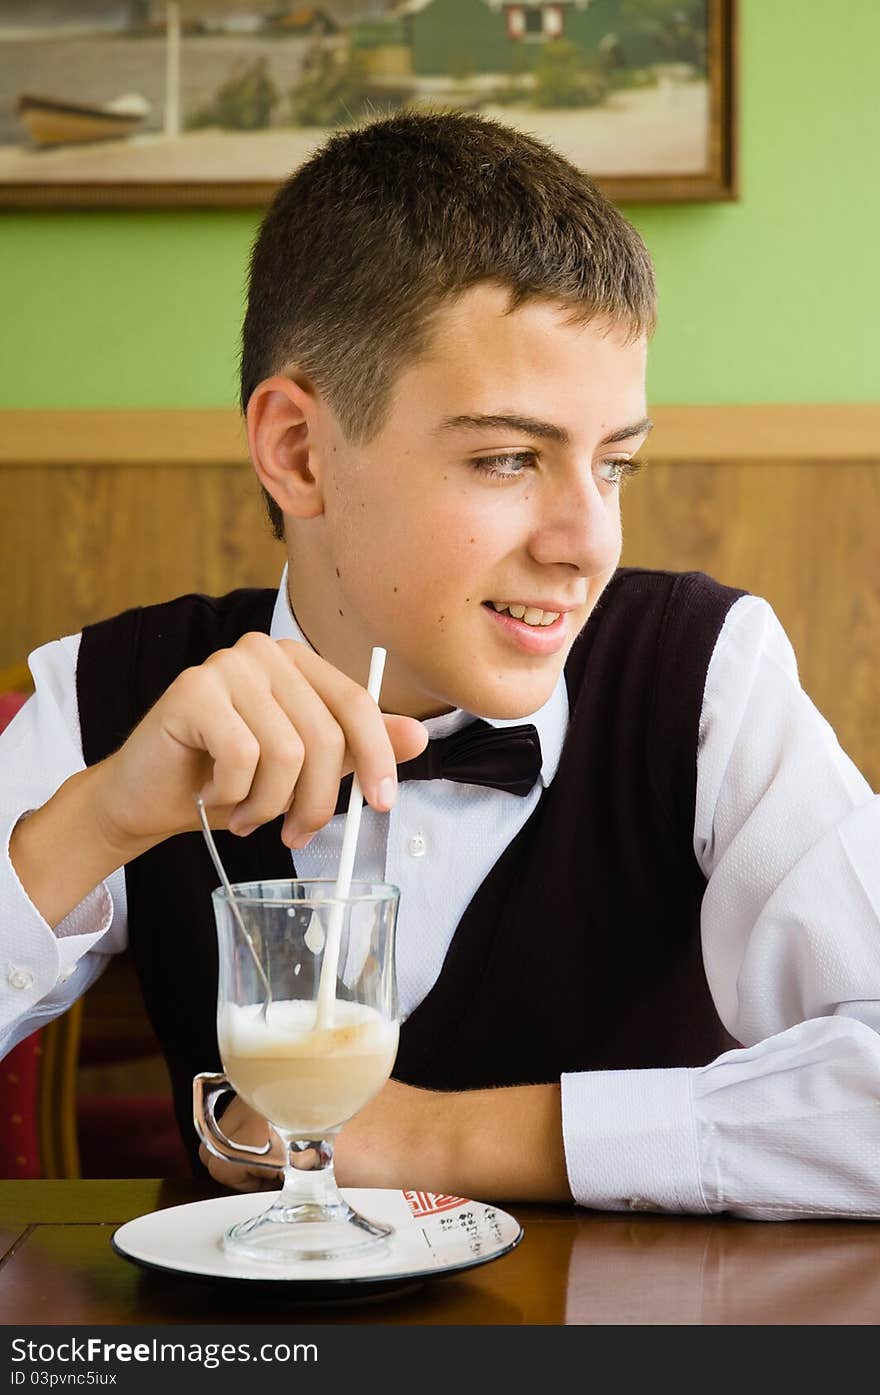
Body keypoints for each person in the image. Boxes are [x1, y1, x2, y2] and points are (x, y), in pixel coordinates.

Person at [2, 111, 879, 1220]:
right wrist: (98, 821)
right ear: (298, 450)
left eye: (614, 465)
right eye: (507, 457)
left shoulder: (705, 675)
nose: (587, 544)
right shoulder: (112, 692)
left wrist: (428, 1135)